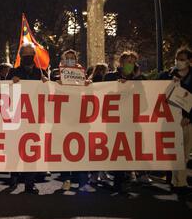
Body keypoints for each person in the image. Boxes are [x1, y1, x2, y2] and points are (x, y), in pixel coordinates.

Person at [6, 43, 49, 194]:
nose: (28, 57)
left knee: (31, 149)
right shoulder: (13, 72)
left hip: (34, 118)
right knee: (15, 147)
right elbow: (4, 91)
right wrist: (12, 82)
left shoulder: (41, 73)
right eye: (25, 54)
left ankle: (30, 183)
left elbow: (48, 94)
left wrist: (46, 84)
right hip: (17, 116)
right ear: (20, 56)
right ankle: (14, 176)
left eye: (31, 54)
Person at [104, 51, 147, 194]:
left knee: (128, 153)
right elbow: (102, 95)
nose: (131, 64)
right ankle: (117, 184)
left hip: (131, 122)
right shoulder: (110, 77)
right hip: (114, 122)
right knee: (116, 153)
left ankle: (125, 182)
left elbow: (144, 103)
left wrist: (136, 80)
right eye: (128, 61)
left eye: (133, 62)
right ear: (121, 63)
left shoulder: (140, 80)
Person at [56, 50, 96, 193]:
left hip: (80, 117)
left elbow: (88, 94)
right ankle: (66, 179)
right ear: (63, 60)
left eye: (73, 58)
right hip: (65, 118)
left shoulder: (81, 75)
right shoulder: (57, 75)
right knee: (66, 150)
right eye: (68, 58)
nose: (70, 60)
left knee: (81, 150)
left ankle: (83, 182)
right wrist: (57, 85)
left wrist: (88, 85)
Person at [158, 47, 192, 195]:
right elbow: (153, 87)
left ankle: (180, 183)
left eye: (183, 59)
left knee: (184, 153)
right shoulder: (168, 74)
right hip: (170, 120)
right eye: (177, 59)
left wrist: (190, 117)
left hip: (186, 121)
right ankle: (176, 181)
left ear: (190, 61)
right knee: (173, 152)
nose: (179, 62)